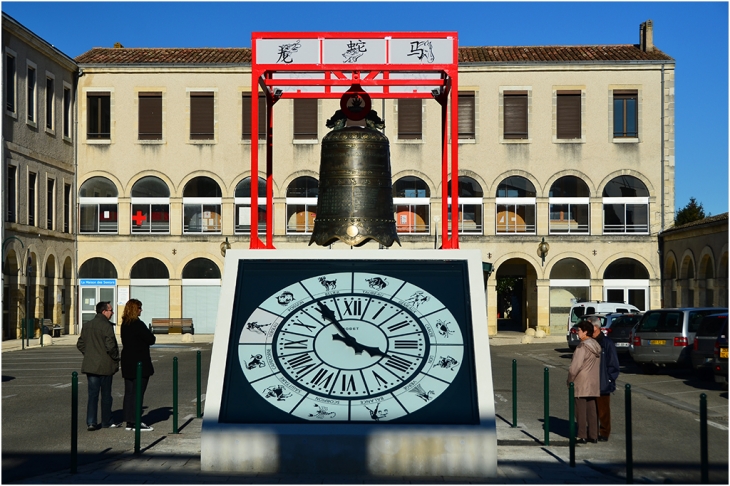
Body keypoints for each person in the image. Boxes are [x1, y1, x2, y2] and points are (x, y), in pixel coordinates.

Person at [77, 301, 120, 431]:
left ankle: (91, 422)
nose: (112, 313)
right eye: (110, 310)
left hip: (91, 365)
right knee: (106, 395)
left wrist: (89, 354)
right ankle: (106, 421)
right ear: (104, 311)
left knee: (93, 395)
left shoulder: (87, 325)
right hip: (105, 365)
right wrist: (116, 358)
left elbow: (80, 344)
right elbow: (111, 346)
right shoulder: (106, 326)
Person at [120, 299, 156, 431]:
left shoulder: (125, 324)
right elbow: (151, 339)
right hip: (139, 361)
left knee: (129, 392)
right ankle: (136, 421)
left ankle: (129, 420)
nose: (141, 310)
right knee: (138, 392)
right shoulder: (137, 324)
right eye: (139, 308)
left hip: (127, 361)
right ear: (135, 309)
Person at [567, 320, 601, 444]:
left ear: (585, 332)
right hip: (593, 381)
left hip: (581, 382)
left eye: (579, 330)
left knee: (580, 410)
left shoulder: (582, 346)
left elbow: (574, 367)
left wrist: (569, 380)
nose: (577, 332)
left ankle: (582, 435)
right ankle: (594, 434)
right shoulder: (596, 345)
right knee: (592, 409)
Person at [589, 316, 620, 442]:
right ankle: (592, 431)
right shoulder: (588, 341)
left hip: (603, 382)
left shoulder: (607, 343)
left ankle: (604, 432)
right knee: (591, 409)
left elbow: (613, 364)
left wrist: (609, 379)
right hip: (590, 381)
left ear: (596, 327)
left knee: (603, 410)